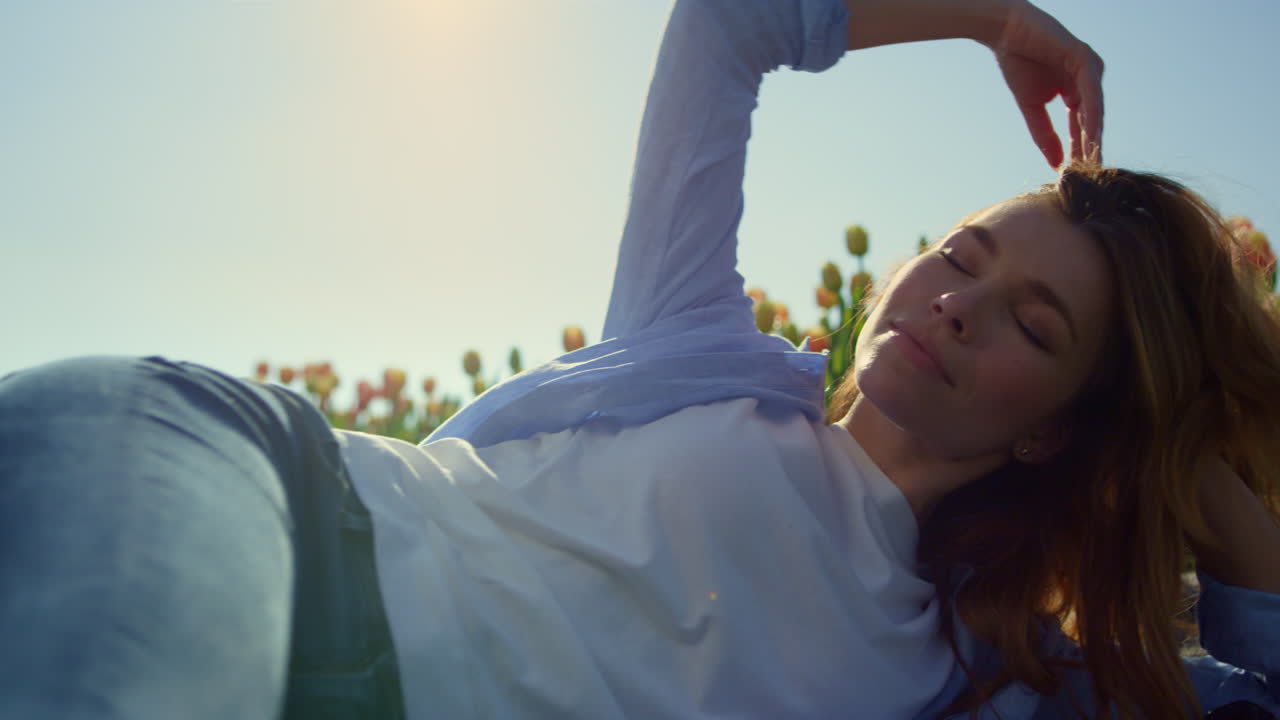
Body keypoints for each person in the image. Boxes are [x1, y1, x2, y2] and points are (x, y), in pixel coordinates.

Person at [1, 0, 1277, 718]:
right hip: (263, 505)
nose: (955, 303)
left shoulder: (982, 673)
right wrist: (985, 14)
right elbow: (723, 22)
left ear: (1051, 430)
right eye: (959, 256)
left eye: (1032, 326)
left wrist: (1207, 488)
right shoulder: (704, 348)